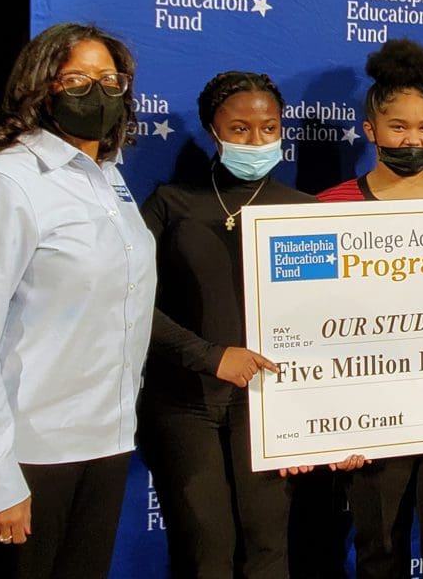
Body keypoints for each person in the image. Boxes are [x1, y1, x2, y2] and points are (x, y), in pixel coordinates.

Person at [0, 22, 157, 578]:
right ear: (41, 88)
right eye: (77, 79)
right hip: (27, 450)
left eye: (110, 79)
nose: (98, 93)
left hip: (103, 441)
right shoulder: (6, 183)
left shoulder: (109, 179)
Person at [318, 38, 423, 579]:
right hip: (371, 403)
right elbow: (311, 323)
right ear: (370, 131)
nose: (413, 139)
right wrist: (328, 422)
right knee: (379, 553)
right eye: (398, 127)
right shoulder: (329, 208)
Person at [137, 71, 317, 577]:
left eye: (269, 128)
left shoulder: (306, 212)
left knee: (268, 548)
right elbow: (127, 304)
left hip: (267, 406)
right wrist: (210, 356)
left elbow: (327, 321)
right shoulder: (170, 204)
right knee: (204, 551)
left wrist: (312, 423)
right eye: (239, 129)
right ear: (212, 131)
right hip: (182, 402)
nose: (256, 140)